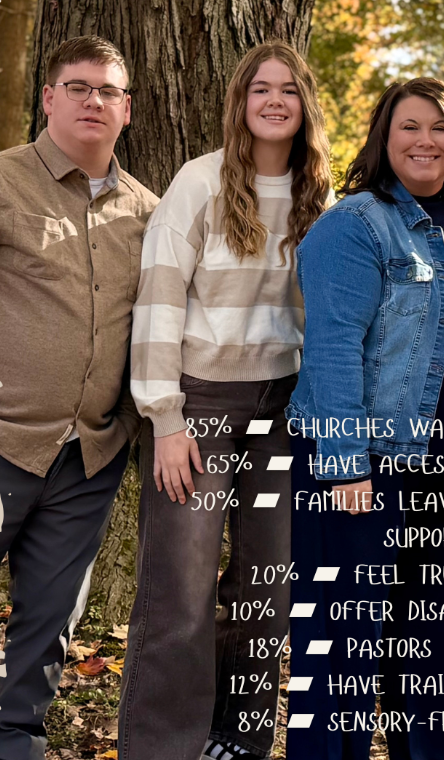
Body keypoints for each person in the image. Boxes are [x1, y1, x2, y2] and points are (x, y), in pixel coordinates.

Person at [0, 36, 158, 760]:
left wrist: (122, 426)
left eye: (108, 92)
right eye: (79, 86)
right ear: (48, 97)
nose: (93, 100)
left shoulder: (150, 213)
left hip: (87, 456)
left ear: (127, 110)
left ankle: (14, 744)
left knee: (47, 624)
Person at [117, 41, 332, 760]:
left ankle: (236, 740)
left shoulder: (320, 196)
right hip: (200, 405)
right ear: (239, 102)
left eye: (289, 89)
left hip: (286, 409)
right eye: (260, 88)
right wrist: (166, 419)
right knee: (179, 591)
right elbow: (158, 299)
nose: (275, 100)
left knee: (266, 588)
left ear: (306, 106)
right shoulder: (200, 182)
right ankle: (161, 747)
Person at [285, 77, 444, 760]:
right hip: (361, 468)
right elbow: (330, 345)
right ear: (384, 138)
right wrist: (344, 462)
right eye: (409, 126)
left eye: (439, 127)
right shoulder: (354, 224)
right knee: (342, 664)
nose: (425, 141)